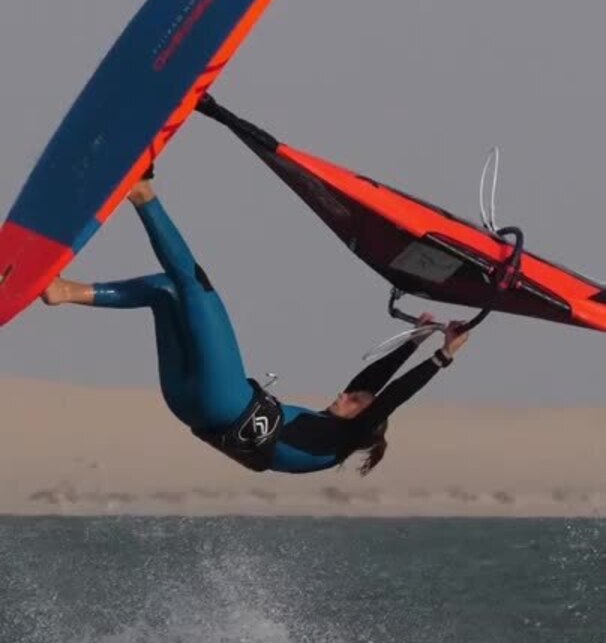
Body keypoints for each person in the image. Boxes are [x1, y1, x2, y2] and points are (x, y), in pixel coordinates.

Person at [41, 176, 470, 475]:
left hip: (225, 400)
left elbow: (390, 395)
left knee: (195, 285)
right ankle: (66, 292)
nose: (344, 392)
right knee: (165, 291)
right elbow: (373, 381)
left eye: (353, 399)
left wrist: (443, 356)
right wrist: (414, 340)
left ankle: (142, 195)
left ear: (366, 419)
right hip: (189, 407)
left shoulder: (341, 441)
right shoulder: (328, 428)